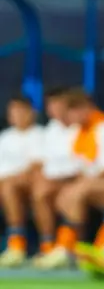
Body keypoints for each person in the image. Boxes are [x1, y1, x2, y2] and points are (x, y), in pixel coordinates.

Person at [36, 88, 104, 269]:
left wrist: (80, 183)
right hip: (97, 185)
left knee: (76, 191)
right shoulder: (81, 131)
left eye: (72, 111)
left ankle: (93, 248)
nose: (70, 117)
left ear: (85, 108)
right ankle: (71, 249)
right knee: (62, 192)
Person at [31, 87, 82, 266]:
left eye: (58, 104)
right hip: (55, 180)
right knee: (39, 191)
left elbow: (85, 167)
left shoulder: (82, 127)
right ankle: (48, 246)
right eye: (50, 104)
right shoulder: (52, 129)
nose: (54, 109)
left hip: (78, 180)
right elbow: (41, 162)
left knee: (71, 193)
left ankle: (67, 248)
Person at [0, 95, 44, 267]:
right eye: (13, 111)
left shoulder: (40, 135)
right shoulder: (4, 137)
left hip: (25, 186)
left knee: (9, 188)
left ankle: (16, 245)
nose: (16, 115)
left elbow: (37, 166)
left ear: (31, 113)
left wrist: (10, 180)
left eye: (20, 111)